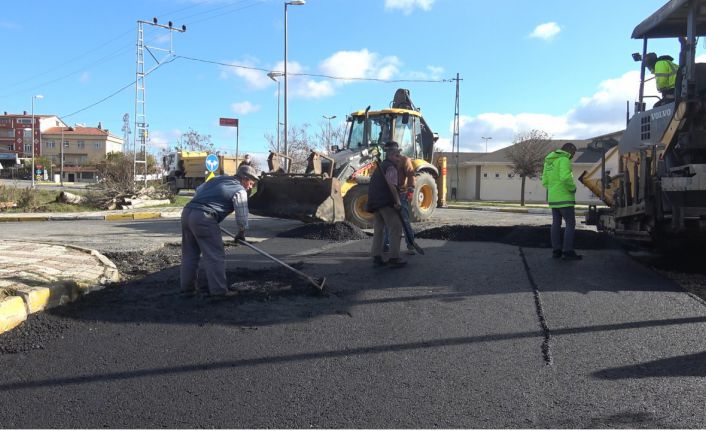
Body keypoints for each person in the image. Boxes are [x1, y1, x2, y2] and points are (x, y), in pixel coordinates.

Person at [180, 164, 259, 297]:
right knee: (214, 255)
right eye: (251, 183)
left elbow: (199, 190)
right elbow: (242, 216)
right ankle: (219, 291)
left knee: (189, 254)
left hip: (187, 213)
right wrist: (241, 233)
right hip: (204, 217)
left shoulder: (218, 179)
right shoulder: (239, 190)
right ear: (244, 179)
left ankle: (187, 289)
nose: (251, 186)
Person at [366, 141, 406, 268]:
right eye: (397, 156)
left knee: (379, 231)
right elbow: (392, 186)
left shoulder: (379, 167)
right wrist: (398, 202)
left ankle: (376, 257)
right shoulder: (391, 167)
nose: (399, 159)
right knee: (395, 229)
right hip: (386, 203)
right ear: (391, 155)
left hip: (375, 203)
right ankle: (394, 258)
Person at [541, 142, 582, 261]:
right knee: (570, 224)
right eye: (574, 152)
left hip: (553, 198)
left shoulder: (549, 162)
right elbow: (565, 177)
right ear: (570, 150)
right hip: (565, 198)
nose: (573, 155)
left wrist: (553, 189)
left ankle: (556, 251)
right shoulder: (564, 160)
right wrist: (572, 188)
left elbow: (544, 181)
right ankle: (568, 251)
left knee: (555, 224)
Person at [383, 152, 417, 254]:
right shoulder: (386, 162)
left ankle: (410, 245)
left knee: (404, 220)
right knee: (388, 221)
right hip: (389, 194)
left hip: (401, 194)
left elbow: (411, 174)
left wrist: (410, 188)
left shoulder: (405, 160)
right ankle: (386, 244)